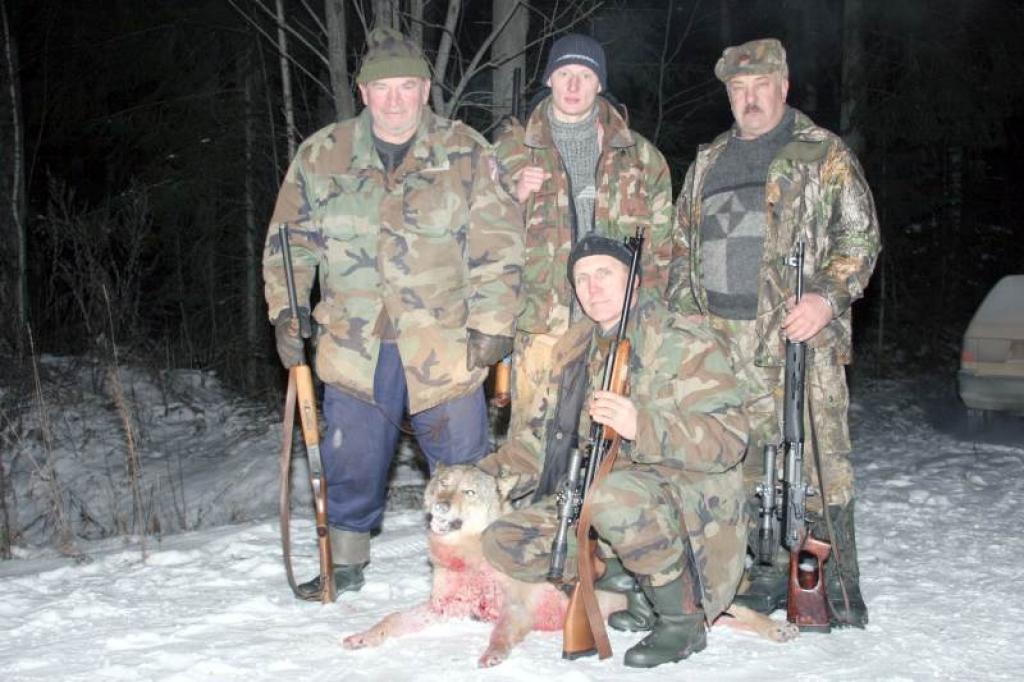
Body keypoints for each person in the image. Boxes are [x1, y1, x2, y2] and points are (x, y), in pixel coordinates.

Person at [262, 28, 523, 601]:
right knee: (351, 457)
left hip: (447, 341)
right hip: (354, 345)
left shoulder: (467, 152)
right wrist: (287, 311)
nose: (396, 99)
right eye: (384, 87)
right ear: (362, 90)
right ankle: (346, 561)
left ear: (426, 89)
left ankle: (475, 569)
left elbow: (498, 244)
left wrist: (494, 325)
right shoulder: (320, 155)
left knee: (464, 469)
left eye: (408, 86)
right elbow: (289, 243)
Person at [666, 38, 880, 627]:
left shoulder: (822, 153)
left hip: (796, 338)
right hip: (720, 343)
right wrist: (686, 328)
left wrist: (825, 299)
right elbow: (681, 251)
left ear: (784, 87)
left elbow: (860, 240)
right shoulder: (708, 160)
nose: (749, 98)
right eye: (738, 89)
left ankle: (832, 589)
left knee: (815, 464)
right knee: (738, 463)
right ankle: (753, 576)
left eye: (761, 86)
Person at [479, 234, 748, 668]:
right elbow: (539, 441)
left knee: (614, 498)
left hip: (683, 500)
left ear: (636, 282)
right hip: (597, 494)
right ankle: (629, 586)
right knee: (502, 541)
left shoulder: (683, 339)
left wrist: (641, 424)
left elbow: (729, 439)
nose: (593, 287)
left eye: (605, 274)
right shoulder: (572, 349)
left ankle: (683, 618)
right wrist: (476, 476)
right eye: (582, 278)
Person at [492, 33, 674, 495]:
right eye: (565, 74)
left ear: (600, 86)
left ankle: (600, 550)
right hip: (541, 325)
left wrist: (646, 322)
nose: (574, 85)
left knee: (609, 446)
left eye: (586, 76)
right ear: (549, 79)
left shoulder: (642, 159)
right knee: (533, 451)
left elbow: (663, 252)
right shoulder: (508, 154)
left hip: (618, 329)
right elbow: (478, 243)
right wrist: (510, 200)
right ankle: (526, 544)